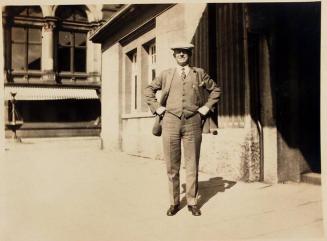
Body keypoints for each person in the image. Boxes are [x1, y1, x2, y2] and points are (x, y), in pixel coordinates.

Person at [144, 42, 221, 216]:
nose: (181, 54)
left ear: (189, 54)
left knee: (192, 163)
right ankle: (174, 202)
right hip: (170, 121)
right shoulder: (165, 74)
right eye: (178, 52)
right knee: (172, 165)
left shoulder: (199, 73)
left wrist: (205, 108)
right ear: (174, 55)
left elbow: (215, 90)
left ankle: (192, 202)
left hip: (193, 122)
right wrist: (158, 107)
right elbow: (149, 90)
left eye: (185, 52)